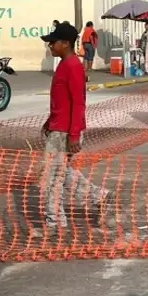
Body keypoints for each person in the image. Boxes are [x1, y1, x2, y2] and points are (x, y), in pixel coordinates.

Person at [32, 22, 109, 238]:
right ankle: (100, 197)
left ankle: (55, 223)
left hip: (65, 132)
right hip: (58, 128)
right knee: (61, 174)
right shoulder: (64, 65)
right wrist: (50, 121)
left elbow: (78, 102)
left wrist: (74, 134)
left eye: (52, 42)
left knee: (49, 177)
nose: (49, 46)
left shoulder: (73, 66)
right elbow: (61, 101)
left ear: (65, 43)